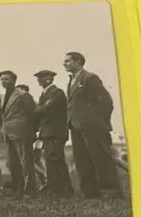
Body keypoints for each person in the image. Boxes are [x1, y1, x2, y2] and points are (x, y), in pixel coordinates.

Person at [64, 51, 122, 198]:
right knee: (82, 160)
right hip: (76, 126)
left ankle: (112, 191)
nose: (64, 63)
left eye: (68, 61)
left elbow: (106, 101)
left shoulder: (90, 78)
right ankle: (90, 193)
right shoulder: (71, 80)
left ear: (78, 62)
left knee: (101, 158)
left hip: (92, 126)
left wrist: (100, 121)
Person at [33, 70, 74, 197]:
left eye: (42, 77)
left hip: (54, 132)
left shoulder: (56, 93)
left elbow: (45, 109)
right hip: (48, 132)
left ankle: (58, 191)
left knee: (54, 161)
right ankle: (63, 190)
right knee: (54, 161)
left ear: (49, 79)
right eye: (38, 78)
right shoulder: (45, 94)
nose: (39, 80)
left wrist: (36, 110)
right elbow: (42, 110)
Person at [0, 70, 37, 198]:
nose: (4, 82)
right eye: (2, 79)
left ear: (14, 80)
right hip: (9, 134)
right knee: (13, 163)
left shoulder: (22, 94)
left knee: (26, 163)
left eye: (7, 79)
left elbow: (32, 112)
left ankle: (29, 191)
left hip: (21, 133)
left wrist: (31, 131)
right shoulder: (4, 96)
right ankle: (18, 191)